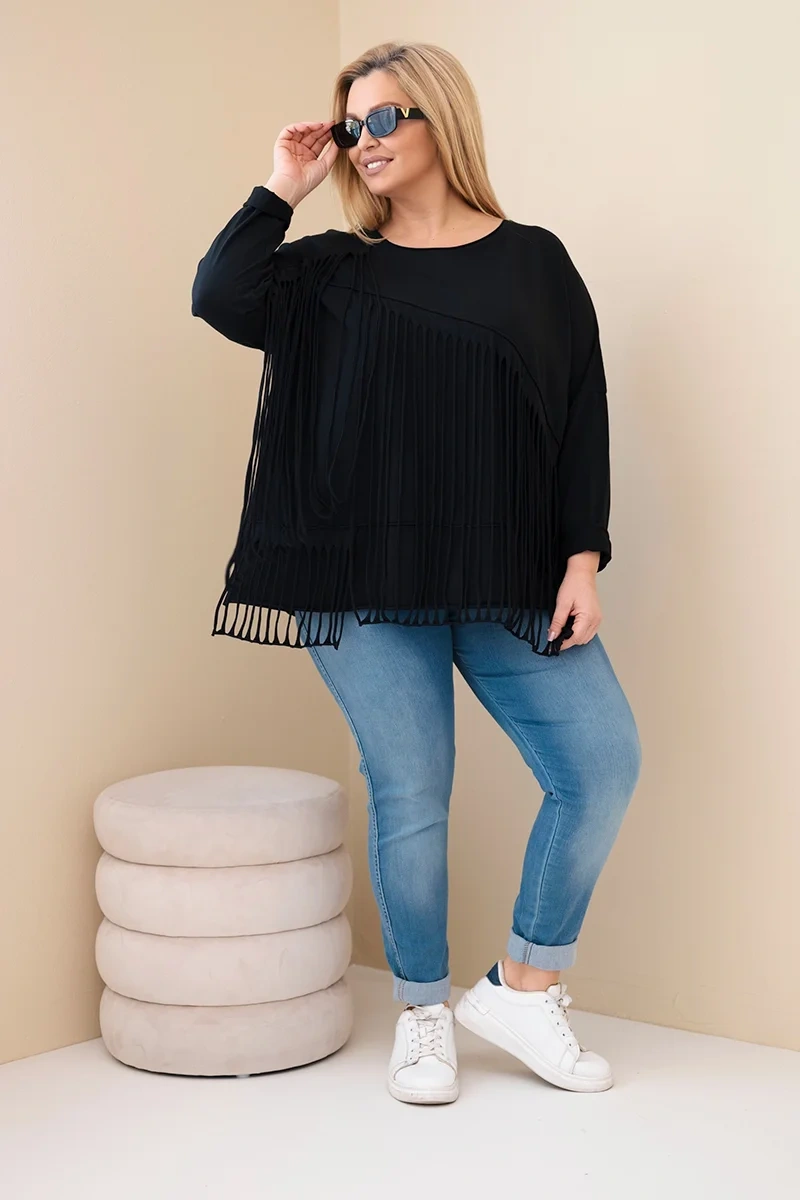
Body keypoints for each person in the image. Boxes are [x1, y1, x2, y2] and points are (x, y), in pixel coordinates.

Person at [191, 40, 642, 1105]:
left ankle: (524, 989)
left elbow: (579, 414)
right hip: (361, 577)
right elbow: (219, 294)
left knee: (600, 762)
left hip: (506, 572)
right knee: (411, 791)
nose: (365, 141)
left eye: (386, 118)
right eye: (353, 125)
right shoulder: (329, 272)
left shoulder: (533, 262)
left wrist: (580, 560)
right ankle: (423, 1014)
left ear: (443, 121)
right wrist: (283, 183)